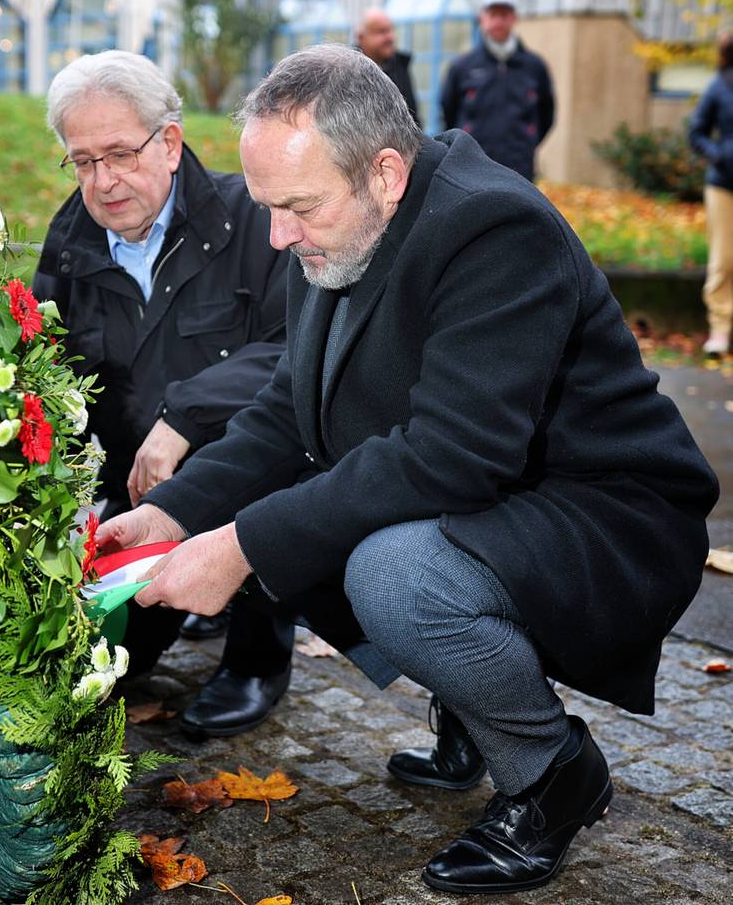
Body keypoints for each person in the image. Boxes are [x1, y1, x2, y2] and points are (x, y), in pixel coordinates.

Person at [93, 44, 718, 894]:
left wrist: (239, 545)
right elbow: (289, 409)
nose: (276, 235)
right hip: (506, 494)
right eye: (271, 207)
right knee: (301, 515)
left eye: (297, 208)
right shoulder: (332, 227)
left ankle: (550, 773)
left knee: (389, 571)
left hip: (610, 513)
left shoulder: (495, 228)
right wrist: (179, 513)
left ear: (384, 173)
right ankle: (472, 705)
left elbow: (454, 456)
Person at [33, 50, 294, 736]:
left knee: (280, 472)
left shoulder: (254, 219)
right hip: (138, 493)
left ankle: (256, 657)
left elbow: (297, 348)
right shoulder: (68, 248)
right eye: (83, 161)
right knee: (95, 675)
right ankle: (181, 606)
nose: (104, 181)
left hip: (247, 468)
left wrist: (184, 417)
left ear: (170, 143)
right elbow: (49, 376)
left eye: (119, 153)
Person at [441, 0, 554, 182]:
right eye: (493, 15)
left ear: (514, 19)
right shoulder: (462, 66)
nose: (498, 21)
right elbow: (448, 110)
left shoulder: (534, 66)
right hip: (473, 165)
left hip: (519, 167)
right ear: (482, 19)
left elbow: (546, 114)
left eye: (504, 15)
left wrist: (526, 141)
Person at [689, 29, 733, 356]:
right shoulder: (720, 86)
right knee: (724, 259)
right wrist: (719, 155)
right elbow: (697, 132)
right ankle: (720, 330)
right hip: (724, 185)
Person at [356, 7, 421, 126]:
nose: (390, 38)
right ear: (361, 37)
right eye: (381, 32)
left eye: (391, 30)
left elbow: (413, 117)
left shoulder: (400, 65)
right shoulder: (346, 70)